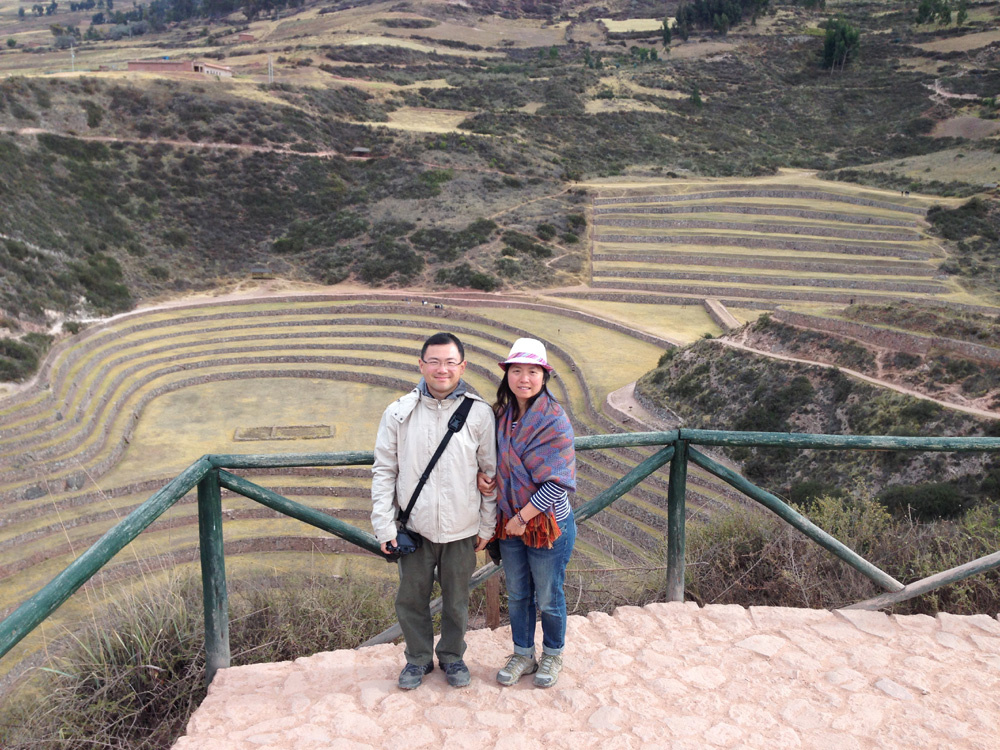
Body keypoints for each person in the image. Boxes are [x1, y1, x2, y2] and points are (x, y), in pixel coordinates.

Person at [371, 332, 497, 690]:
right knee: (411, 599)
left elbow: (490, 473)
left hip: (462, 526)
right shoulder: (399, 412)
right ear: (421, 365)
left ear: (463, 366)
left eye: (450, 362)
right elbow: (384, 471)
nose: (443, 369)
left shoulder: (479, 413)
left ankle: (453, 657)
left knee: (457, 600)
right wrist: (384, 526)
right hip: (415, 527)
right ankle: (418, 659)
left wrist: (486, 526)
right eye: (435, 362)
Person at [479, 337, 576, 689]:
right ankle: (523, 653)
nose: (524, 378)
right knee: (518, 593)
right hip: (510, 521)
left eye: (532, 371)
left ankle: (552, 654)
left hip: (545, 525)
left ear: (544, 376)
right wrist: (483, 477)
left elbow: (558, 483)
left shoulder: (554, 420)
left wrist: (522, 519)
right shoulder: (502, 416)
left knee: (548, 596)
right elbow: (491, 460)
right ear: (507, 374)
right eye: (517, 370)